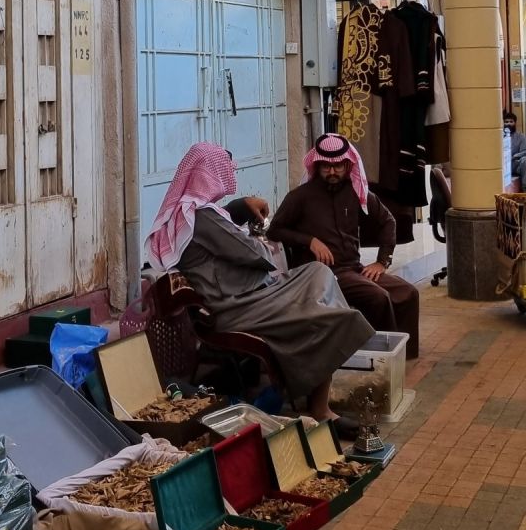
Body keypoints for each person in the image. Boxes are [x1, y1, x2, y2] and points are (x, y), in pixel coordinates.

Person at [145, 143, 372, 418]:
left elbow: (224, 229)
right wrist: (257, 238)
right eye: (225, 169)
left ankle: (318, 332)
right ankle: (319, 406)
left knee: (318, 272)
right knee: (328, 317)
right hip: (237, 306)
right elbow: (259, 254)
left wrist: (240, 211)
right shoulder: (202, 216)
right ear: (211, 173)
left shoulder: (192, 213)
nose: (231, 174)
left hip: (243, 296)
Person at [269, 134, 420, 359]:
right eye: (326, 167)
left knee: (408, 293)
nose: (332, 172)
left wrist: (382, 261)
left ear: (348, 164)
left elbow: (387, 221)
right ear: (317, 165)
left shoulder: (356, 192)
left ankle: (404, 357)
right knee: (377, 297)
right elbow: (275, 230)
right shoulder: (300, 197)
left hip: (353, 269)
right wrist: (310, 240)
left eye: (338, 166)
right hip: (324, 274)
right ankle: (379, 358)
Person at [504, 110, 526, 189]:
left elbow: (524, 152)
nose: (508, 123)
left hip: (514, 164)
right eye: (506, 122)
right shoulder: (500, 136)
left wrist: (514, 156)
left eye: (511, 121)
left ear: (515, 123)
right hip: (503, 164)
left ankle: (525, 186)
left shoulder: (521, 136)